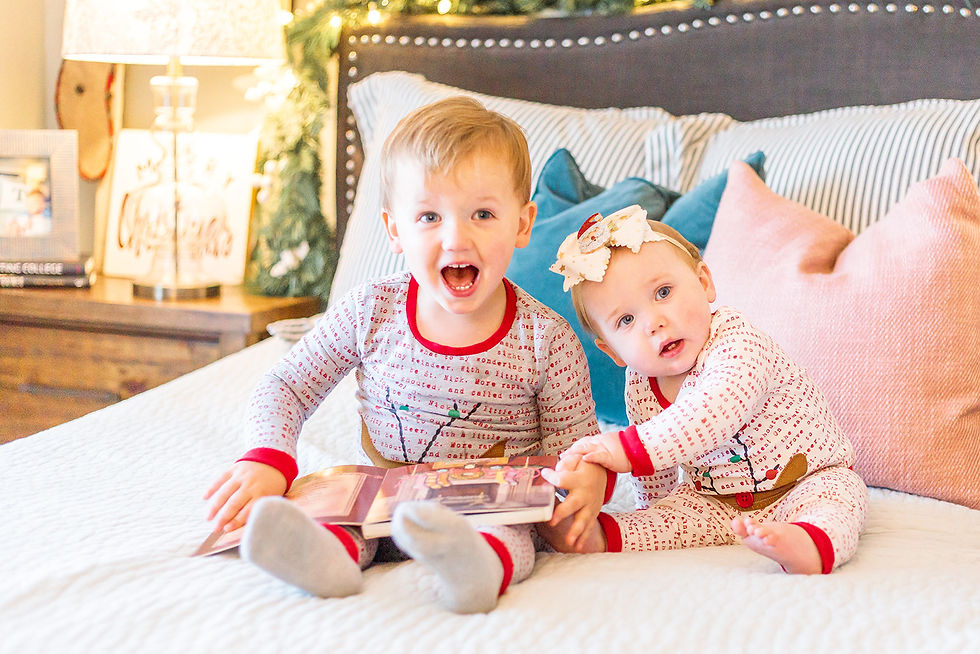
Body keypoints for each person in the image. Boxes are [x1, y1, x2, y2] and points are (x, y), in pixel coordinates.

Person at [204, 96, 607, 613]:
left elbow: (576, 449)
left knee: (510, 531)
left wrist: (585, 482)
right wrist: (268, 458)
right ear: (395, 229)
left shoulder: (546, 339)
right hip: (382, 497)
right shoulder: (371, 310)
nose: (456, 238)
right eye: (429, 216)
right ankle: (322, 559)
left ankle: (472, 566)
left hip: (490, 506)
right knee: (337, 513)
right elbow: (287, 385)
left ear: (523, 224)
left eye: (483, 214)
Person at [540, 205, 868, 574]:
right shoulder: (640, 382)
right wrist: (654, 514)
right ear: (612, 351)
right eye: (626, 319)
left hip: (807, 480)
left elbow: (711, 413)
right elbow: (654, 471)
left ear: (704, 282)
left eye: (663, 292)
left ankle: (809, 542)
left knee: (839, 503)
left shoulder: (738, 344)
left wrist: (622, 448)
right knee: (662, 519)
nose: (654, 322)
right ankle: (594, 536)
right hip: (716, 501)